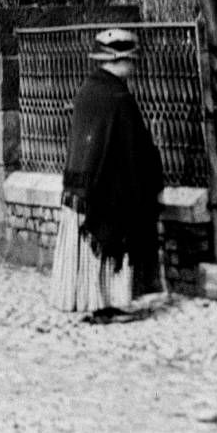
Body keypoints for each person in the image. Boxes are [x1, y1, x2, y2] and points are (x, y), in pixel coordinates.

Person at [50, 27, 165, 322]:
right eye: (131, 60)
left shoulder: (88, 91)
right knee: (110, 242)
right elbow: (132, 149)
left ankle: (81, 296)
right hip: (106, 192)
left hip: (79, 188)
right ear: (119, 60)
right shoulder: (117, 97)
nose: (135, 65)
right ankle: (106, 302)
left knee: (85, 247)